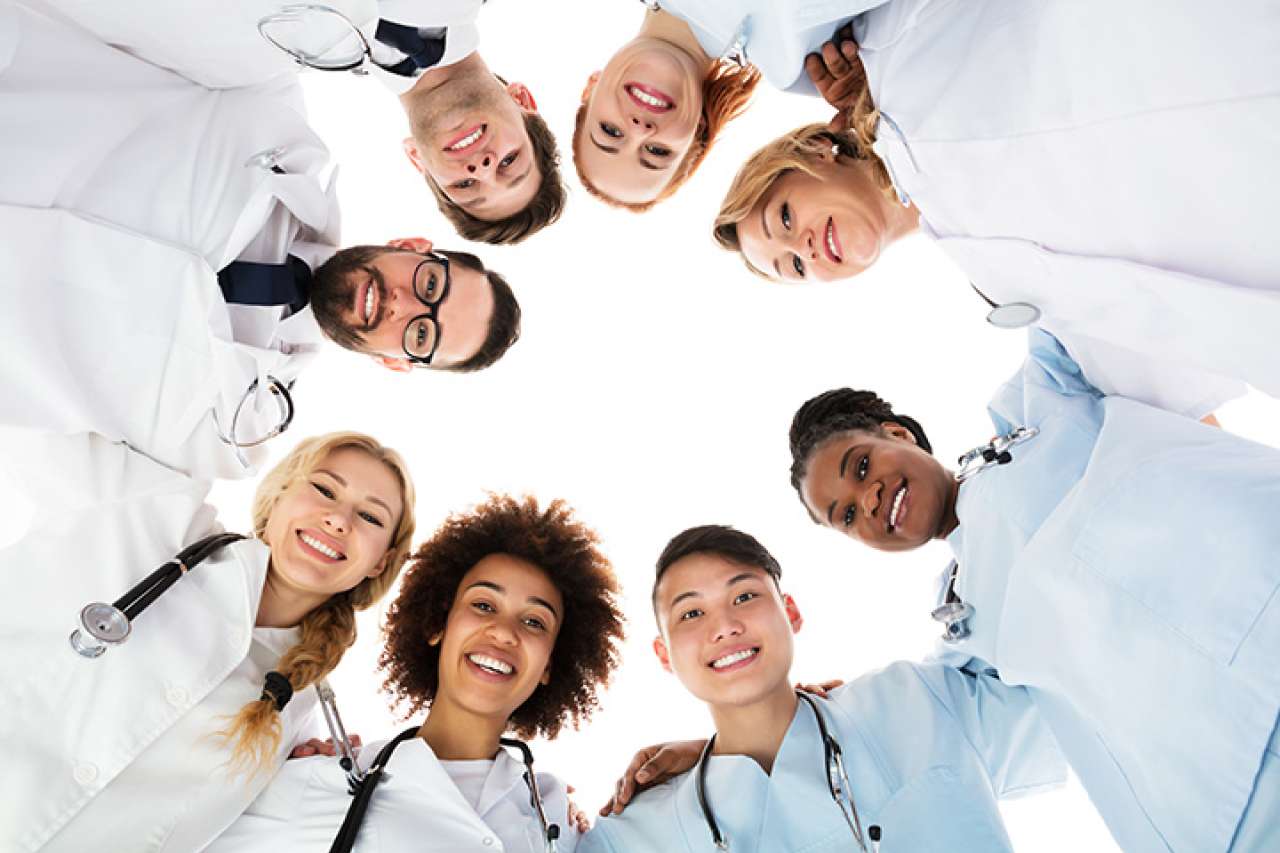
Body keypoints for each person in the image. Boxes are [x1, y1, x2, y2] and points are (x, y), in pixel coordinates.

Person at [789, 328, 1280, 851]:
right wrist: (816, 718)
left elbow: (1074, 298)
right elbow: (920, 729)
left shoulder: (1039, 402)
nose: (868, 500)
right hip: (1234, 795)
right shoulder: (965, 633)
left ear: (899, 435)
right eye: (845, 515)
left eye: (862, 467)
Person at [0, 1, 520, 479]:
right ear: (411, 246)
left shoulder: (226, 430)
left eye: (421, 335)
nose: (404, 306)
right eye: (431, 285)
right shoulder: (270, 108)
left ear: (397, 362)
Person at [713, 0, 1280, 416]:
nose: (803, 249)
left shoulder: (893, 51)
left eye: (784, 217)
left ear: (813, 151)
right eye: (793, 267)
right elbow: (1165, 377)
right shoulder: (1003, 287)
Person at [0, 429, 417, 853]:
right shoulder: (154, 516)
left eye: (370, 517)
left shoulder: (299, 720)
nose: (338, 520)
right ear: (278, 494)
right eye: (325, 489)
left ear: (380, 560)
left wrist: (297, 786)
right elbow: (35, 416)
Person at [581, 524, 1064, 852]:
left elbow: (1062, 671)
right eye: (691, 613)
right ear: (664, 655)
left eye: (745, 596)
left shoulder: (913, 702)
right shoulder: (637, 833)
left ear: (790, 612)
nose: (724, 626)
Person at [208, 494, 626, 852]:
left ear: (551, 664)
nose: (503, 632)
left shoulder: (556, 815)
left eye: (535, 622)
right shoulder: (324, 779)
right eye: (483, 605)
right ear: (437, 626)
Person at [26, 0, 567, 243]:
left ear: (416, 162)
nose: (482, 165)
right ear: (523, 99)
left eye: (467, 185)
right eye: (511, 163)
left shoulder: (240, 71)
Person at [573, 3, 761, 210]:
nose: (638, 129)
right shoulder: (788, 57)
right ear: (698, 129)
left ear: (591, 87)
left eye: (610, 131)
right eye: (656, 151)